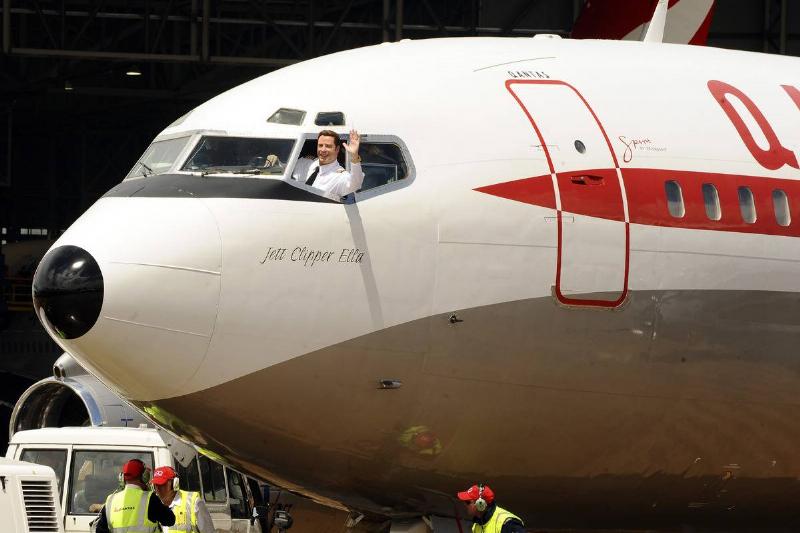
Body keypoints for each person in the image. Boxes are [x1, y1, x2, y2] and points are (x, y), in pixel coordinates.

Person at [93, 459, 175, 533]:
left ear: (122, 478)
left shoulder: (111, 500)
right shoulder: (150, 498)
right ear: (144, 477)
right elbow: (170, 520)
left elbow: (100, 530)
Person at [292, 129, 364, 200]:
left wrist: (354, 156)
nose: (323, 150)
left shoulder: (340, 176)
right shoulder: (308, 163)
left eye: (328, 146)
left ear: (337, 149)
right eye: (320, 145)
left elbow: (355, 183)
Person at [151, 465, 215, 533]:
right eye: (156, 485)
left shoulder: (193, 502)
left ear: (175, 484)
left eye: (162, 485)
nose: (158, 489)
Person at [457, 483, 525, 533]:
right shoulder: (477, 525)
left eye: (467, 502)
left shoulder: (508, 524)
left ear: (480, 504)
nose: (464, 504)